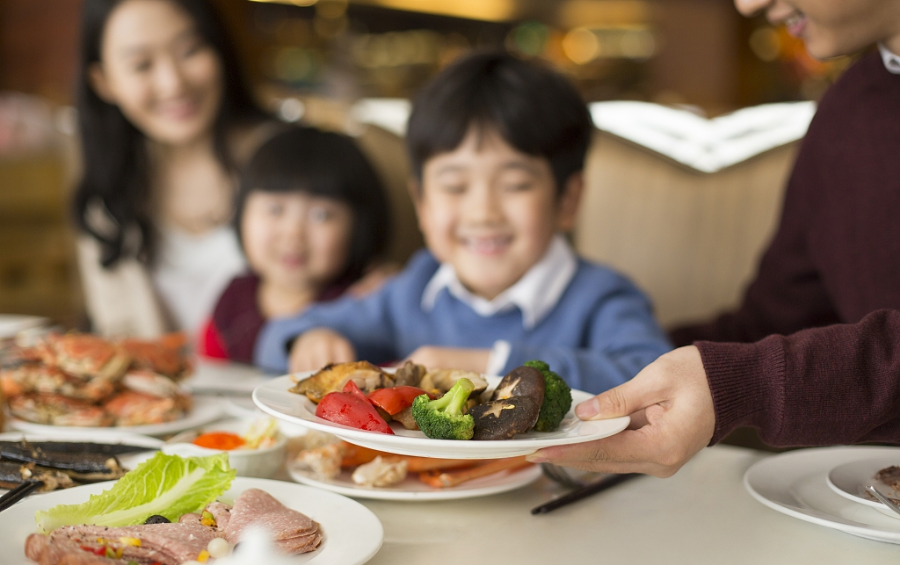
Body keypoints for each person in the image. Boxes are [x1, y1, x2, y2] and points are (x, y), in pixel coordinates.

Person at [530, 0, 900, 476]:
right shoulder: (848, 110)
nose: (749, 4)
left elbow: (753, 369)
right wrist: (612, 359)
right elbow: (774, 324)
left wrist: (744, 385)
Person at [254, 51, 672, 394]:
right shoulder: (415, 290)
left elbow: (654, 379)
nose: (483, 212)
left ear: (567, 199)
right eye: (455, 186)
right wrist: (310, 340)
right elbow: (276, 338)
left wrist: (492, 366)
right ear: (422, 204)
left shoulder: (600, 298)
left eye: (515, 184)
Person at [73, 0, 278, 339]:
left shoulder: (293, 159)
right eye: (141, 65)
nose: (173, 83)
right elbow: (119, 338)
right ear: (103, 82)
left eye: (191, 49)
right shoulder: (105, 201)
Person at [197, 126, 391, 364]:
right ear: (241, 214)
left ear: (361, 225)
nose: (293, 233)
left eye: (321, 215)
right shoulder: (233, 297)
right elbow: (207, 371)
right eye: (275, 210)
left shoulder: (365, 301)